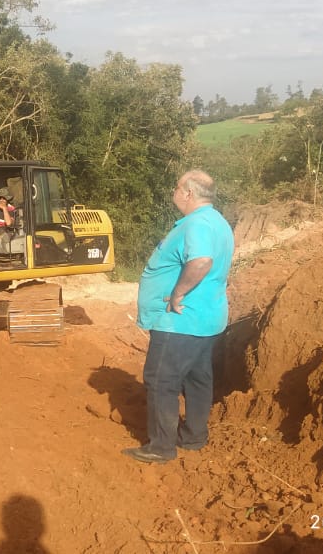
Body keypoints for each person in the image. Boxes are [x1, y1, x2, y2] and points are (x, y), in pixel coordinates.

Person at [123, 170, 233, 464]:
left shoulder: (197, 224)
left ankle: (161, 447)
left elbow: (202, 261)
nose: (174, 191)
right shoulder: (217, 221)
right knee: (197, 377)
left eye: (176, 187)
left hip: (180, 319)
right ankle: (194, 436)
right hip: (205, 319)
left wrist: (177, 293)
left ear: (188, 193)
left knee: (161, 379)